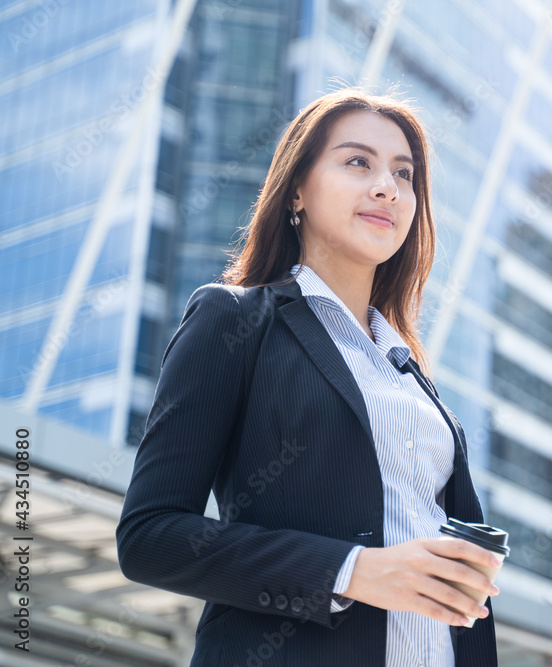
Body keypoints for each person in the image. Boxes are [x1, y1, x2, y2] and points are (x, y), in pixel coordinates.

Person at [115, 86, 500, 666]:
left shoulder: (409, 373)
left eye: (404, 174)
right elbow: (150, 538)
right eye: (357, 162)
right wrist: (351, 571)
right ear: (297, 189)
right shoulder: (235, 319)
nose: (386, 188)